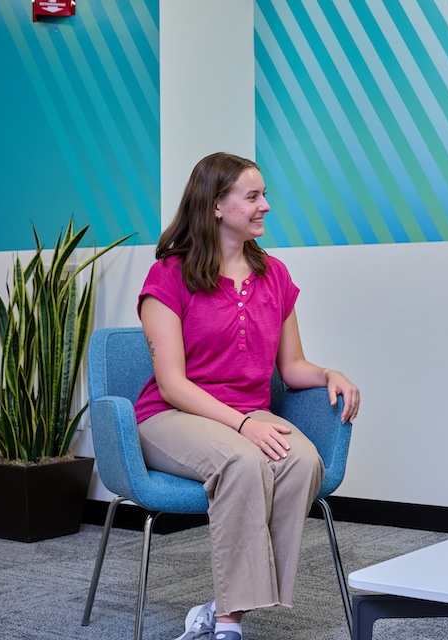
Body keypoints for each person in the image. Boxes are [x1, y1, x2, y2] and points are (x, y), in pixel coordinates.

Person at [134, 152, 360, 640]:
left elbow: (291, 366)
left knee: (302, 461)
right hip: (171, 415)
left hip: (246, 413)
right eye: (253, 197)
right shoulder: (168, 276)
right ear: (216, 206)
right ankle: (228, 626)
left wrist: (329, 375)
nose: (267, 207)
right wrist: (242, 426)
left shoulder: (274, 275)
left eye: (264, 195)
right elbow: (172, 383)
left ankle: (223, 602)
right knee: (242, 461)